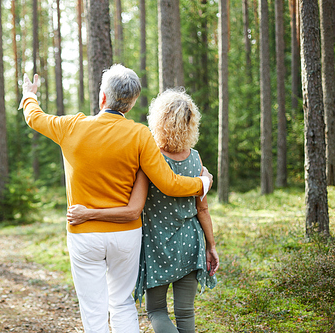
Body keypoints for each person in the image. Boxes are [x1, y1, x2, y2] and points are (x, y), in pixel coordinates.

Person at [20, 65, 213, 333]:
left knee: (94, 311)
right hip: (126, 235)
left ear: (102, 97)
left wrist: (29, 95)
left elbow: (34, 117)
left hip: (83, 233)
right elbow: (170, 184)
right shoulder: (140, 135)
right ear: (132, 103)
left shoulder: (70, 126)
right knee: (122, 304)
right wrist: (202, 183)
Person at [67, 88, 219, 333]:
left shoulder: (150, 159)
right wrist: (211, 246)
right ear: (192, 124)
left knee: (157, 311)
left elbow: (133, 206)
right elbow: (203, 209)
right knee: (185, 313)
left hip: (156, 244)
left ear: (158, 121)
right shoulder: (196, 160)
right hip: (190, 242)